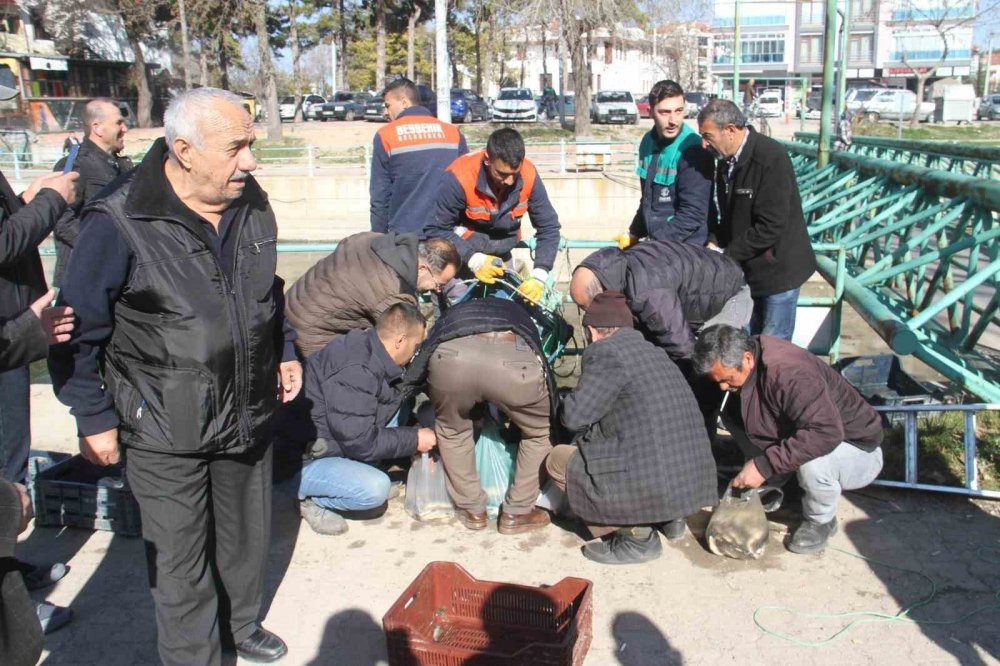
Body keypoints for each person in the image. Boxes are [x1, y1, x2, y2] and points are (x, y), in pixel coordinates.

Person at [51, 88, 300, 665]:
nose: (251, 161)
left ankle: (240, 625)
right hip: (164, 426)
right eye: (237, 147)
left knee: (244, 542)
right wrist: (92, 414)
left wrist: (283, 347)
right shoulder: (118, 221)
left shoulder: (250, 202)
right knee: (181, 566)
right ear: (184, 150)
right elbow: (75, 327)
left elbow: (268, 290)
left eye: (252, 145)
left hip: (247, 406)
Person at [547, 292, 717, 564]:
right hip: (689, 482)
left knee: (558, 460)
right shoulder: (654, 351)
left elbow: (575, 417)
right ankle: (668, 518)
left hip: (652, 480)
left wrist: (564, 400)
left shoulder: (606, 352)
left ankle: (635, 537)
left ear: (592, 330)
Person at [693, 325, 884, 554]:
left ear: (747, 359)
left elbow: (825, 433)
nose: (723, 386)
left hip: (857, 450)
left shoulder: (789, 372)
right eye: (719, 381)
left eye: (728, 379)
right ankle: (791, 486)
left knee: (813, 462)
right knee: (734, 413)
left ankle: (820, 520)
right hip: (816, 433)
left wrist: (764, 466)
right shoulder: (749, 355)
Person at [404, 298, 555, 534]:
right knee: (539, 432)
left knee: (452, 430)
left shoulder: (455, 311)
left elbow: (425, 357)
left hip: (451, 361)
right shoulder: (518, 312)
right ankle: (518, 512)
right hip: (514, 366)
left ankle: (472, 509)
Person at [298, 303, 435, 535]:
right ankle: (307, 498)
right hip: (304, 459)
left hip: (336, 436)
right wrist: (414, 440)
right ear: (400, 341)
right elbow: (361, 442)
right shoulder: (356, 370)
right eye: (415, 345)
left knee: (399, 409)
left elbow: (383, 408)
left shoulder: (371, 348)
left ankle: (356, 473)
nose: (415, 352)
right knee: (374, 490)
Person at [697, 99, 817, 341]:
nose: (704, 143)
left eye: (708, 136)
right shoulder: (725, 163)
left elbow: (770, 226)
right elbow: (730, 216)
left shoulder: (770, 158)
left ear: (730, 130)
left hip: (778, 272)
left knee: (774, 345)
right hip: (750, 270)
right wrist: (714, 240)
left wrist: (727, 254)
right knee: (749, 342)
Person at [425, 127, 561, 304]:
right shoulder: (460, 176)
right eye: (502, 174)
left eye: (514, 174)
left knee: (507, 312)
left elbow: (549, 227)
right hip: (458, 258)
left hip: (501, 258)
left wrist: (539, 274)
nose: (510, 181)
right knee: (459, 314)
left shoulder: (528, 174)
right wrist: (475, 260)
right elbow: (436, 229)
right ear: (488, 160)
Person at [569, 241, 750, 365]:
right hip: (699, 283)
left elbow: (683, 348)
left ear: (603, 293)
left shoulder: (648, 292)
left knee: (710, 359)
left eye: (592, 309)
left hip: (727, 292)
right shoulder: (616, 267)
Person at [284, 232, 460, 358]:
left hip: (288, 310)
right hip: (309, 338)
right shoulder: (392, 292)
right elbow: (401, 348)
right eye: (438, 284)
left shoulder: (373, 239)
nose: (437, 290)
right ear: (422, 268)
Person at [614, 80, 715, 249]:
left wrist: (653, 246)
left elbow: (692, 215)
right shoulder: (647, 142)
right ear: (650, 112)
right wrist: (634, 233)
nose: (673, 120)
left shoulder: (693, 149)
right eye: (665, 112)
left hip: (687, 247)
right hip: (660, 243)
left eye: (678, 111)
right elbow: (647, 200)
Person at [52, 98, 133, 286]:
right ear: (96, 128)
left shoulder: (121, 165)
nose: (125, 129)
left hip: (116, 272)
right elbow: (61, 220)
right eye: (118, 123)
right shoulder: (74, 164)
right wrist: (99, 248)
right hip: (84, 276)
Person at [370, 78, 468, 235]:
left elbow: (380, 196)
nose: (385, 112)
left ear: (404, 102)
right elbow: (466, 184)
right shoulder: (453, 133)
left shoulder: (386, 135)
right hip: (447, 235)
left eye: (388, 106)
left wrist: (378, 237)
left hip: (405, 236)